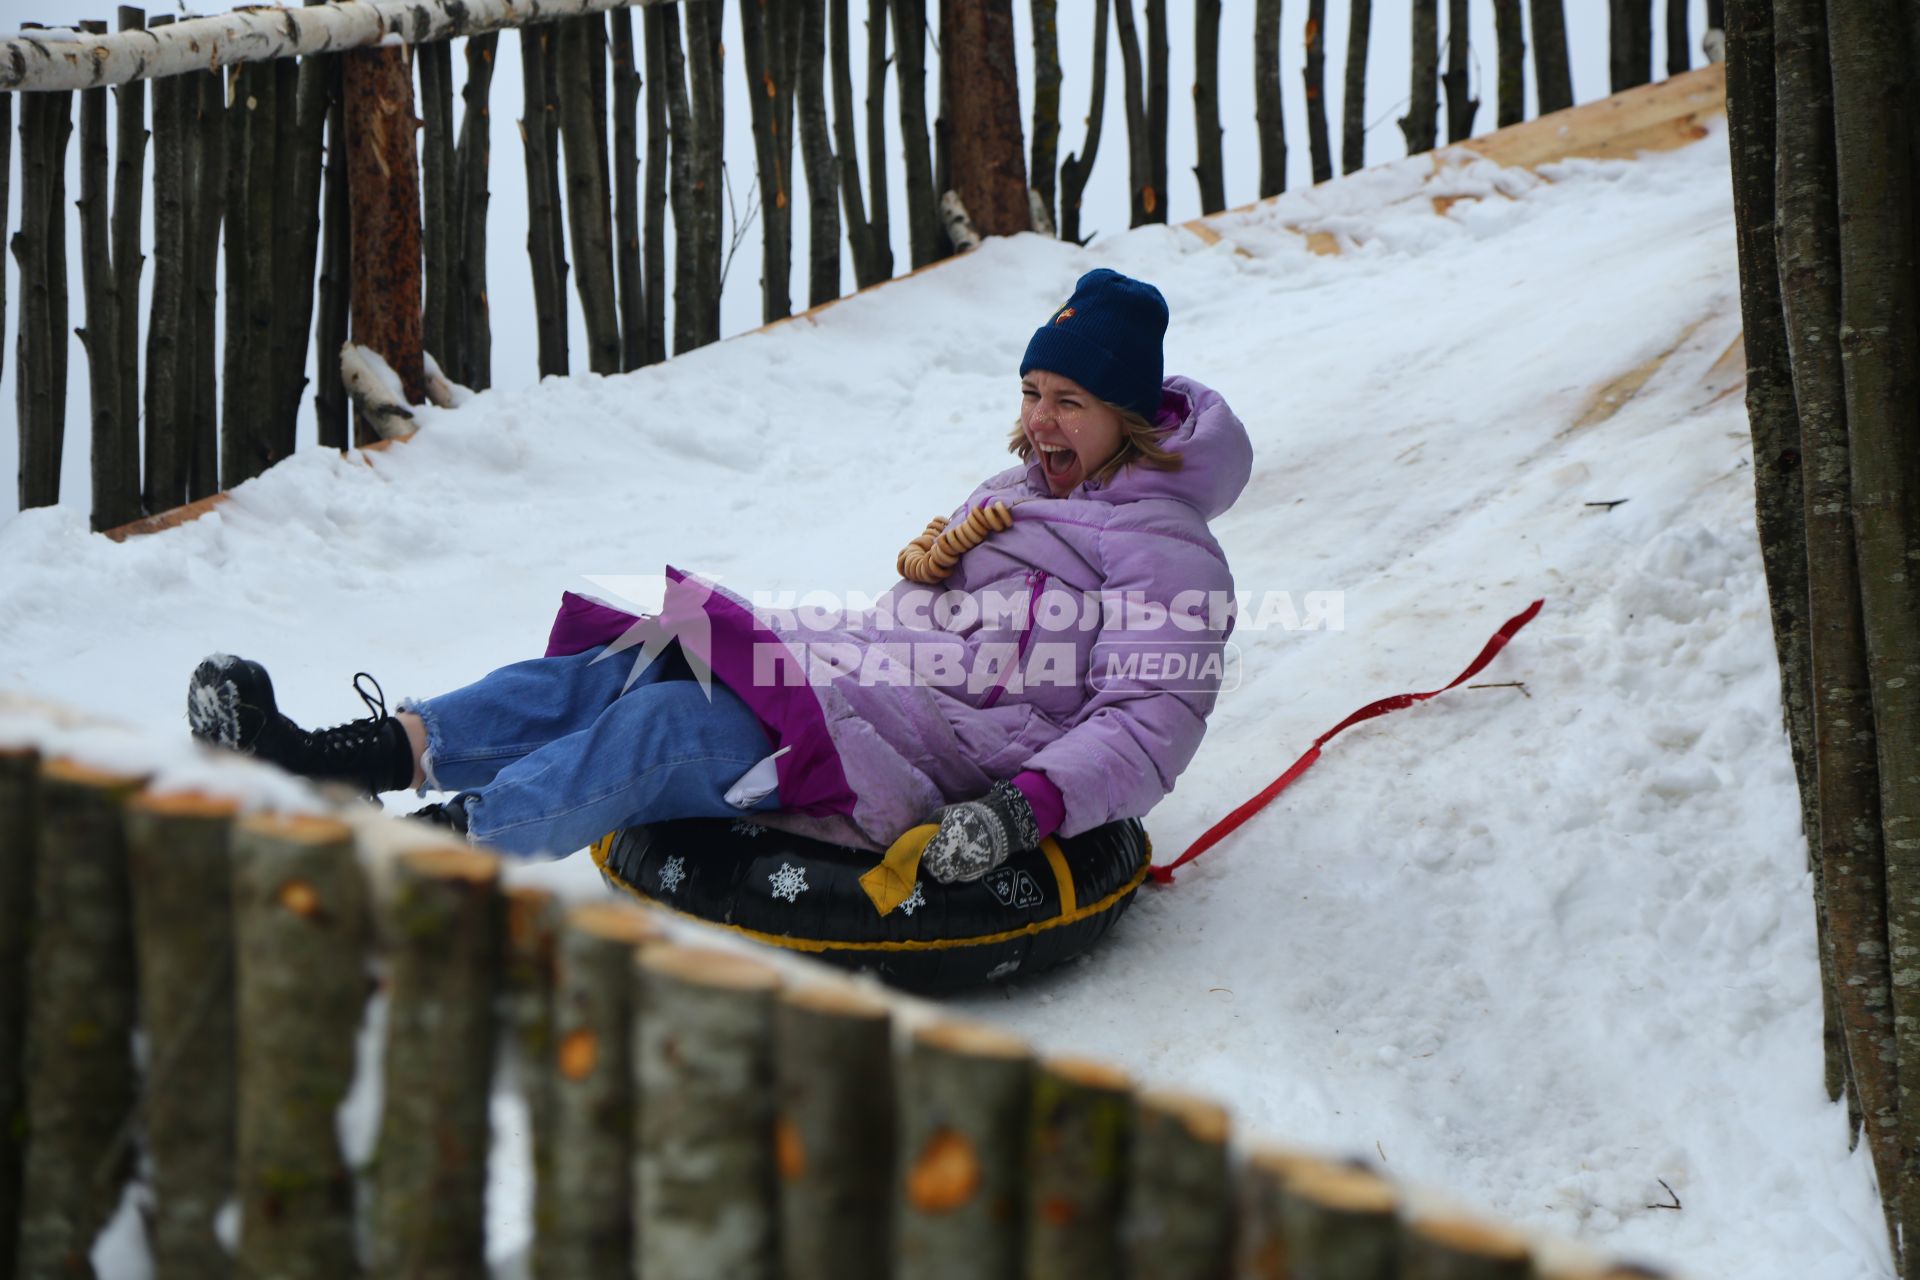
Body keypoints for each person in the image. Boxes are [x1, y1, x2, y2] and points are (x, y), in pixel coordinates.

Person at [189, 268, 1252, 885]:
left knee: (673, 728)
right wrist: (928, 573)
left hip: (944, 757)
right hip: (876, 687)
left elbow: (1151, 717)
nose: (1037, 422)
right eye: (1030, 391)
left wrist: (1024, 810)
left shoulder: (1166, 547)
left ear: (1125, 416)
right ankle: (336, 757)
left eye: (1067, 399)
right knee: (642, 650)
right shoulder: (1014, 488)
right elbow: (918, 627)